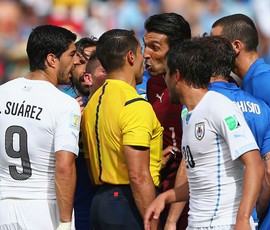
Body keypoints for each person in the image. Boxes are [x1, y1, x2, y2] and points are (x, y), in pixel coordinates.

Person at [144, 36, 264, 230]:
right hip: (197, 224)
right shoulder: (189, 115)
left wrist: (242, 219)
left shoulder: (219, 106)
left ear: (176, 76)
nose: (163, 81)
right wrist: (166, 197)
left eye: (166, 74)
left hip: (226, 223)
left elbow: (255, 164)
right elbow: (202, 180)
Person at [211, 13, 270, 230]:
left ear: (236, 46)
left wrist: (266, 163)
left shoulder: (264, 79)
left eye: (215, 43)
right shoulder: (245, 82)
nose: (210, 50)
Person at [81, 29, 163, 230]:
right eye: (140, 51)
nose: (145, 57)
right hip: (128, 204)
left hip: (100, 202)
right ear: (131, 56)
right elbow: (138, 175)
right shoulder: (134, 104)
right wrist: (152, 224)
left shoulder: (91, 104)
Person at [0, 25, 81, 230]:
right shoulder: (64, 104)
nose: (76, 61)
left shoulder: (2, 93)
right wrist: (64, 221)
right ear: (52, 59)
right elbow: (64, 167)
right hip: (42, 209)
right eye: (71, 55)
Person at [143, 12, 191, 229]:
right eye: (145, 46)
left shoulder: (198, 88)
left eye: (154, 47)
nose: (146, 54)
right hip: (161, 193)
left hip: (193, 201)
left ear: (177, 49)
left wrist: (172, 219)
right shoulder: (153, 85)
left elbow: (193, 155)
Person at [60, 36, 98, 230]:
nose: (86, 70)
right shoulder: (60, 102)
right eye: (81, 62)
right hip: (73, 205)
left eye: (92, 62)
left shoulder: (115, 103)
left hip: (105, 203)